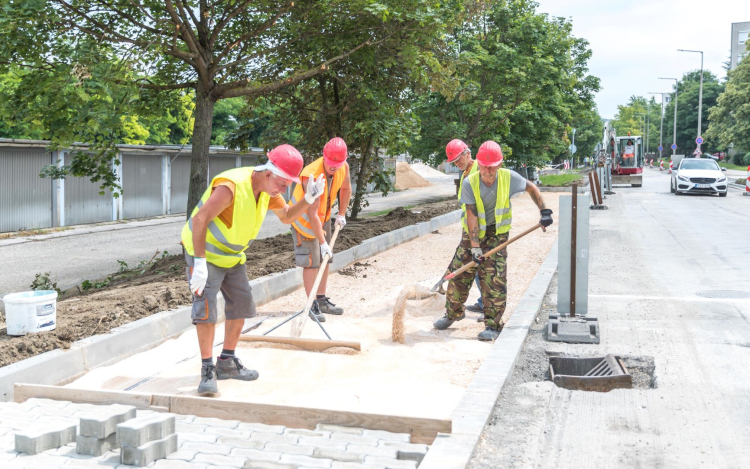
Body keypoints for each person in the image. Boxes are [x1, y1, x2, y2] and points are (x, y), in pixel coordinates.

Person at [181, 144, 326, 395]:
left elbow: (288, 215)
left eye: (288, 185)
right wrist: (200, 263)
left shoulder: (269, 190)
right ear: (268, 173)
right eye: (282, 184)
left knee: (241, 304)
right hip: (205, 254)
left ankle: (226, 362)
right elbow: (199, 219)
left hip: (233, 256)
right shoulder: (232, 186)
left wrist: (309, 198)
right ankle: (207, 369)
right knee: (206, 309)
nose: (284, 190)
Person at [433, 141, 554, 341]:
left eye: (492, 166)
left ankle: (493, 325)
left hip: (497, 235)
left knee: (494, 278)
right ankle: (453, 313)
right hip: (472, 233)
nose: (488, 171)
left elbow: (532, 187)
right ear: (478, 163)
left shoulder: (509, 177)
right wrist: (474, 248)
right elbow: (471, 216)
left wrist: (544, 211)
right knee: (458, 273)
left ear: (500, 164)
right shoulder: (469, 183)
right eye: (484, 166)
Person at [289, 137, 352, 317]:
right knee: (312, 263)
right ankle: (312, 304)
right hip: (304, 220)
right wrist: (323, 243)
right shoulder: (311, 175)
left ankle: (321, 300)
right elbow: (311, 213)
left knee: (325, 260)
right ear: (323, 156)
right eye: (330, 162)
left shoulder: (343, 167)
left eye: (337, 163)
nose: (333, 166)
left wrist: (341, 213)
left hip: (322, 218)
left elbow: (346, 189)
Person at [445, 139, 485, 315]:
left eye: (459, 159)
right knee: (474, 265)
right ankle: (483, 302)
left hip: (481, 230)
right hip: (469, 230)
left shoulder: (480, 171)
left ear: (467, 153)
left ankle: (487, 305)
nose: (457, 164)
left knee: (480, 267)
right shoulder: (465, 173)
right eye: (454, 162)